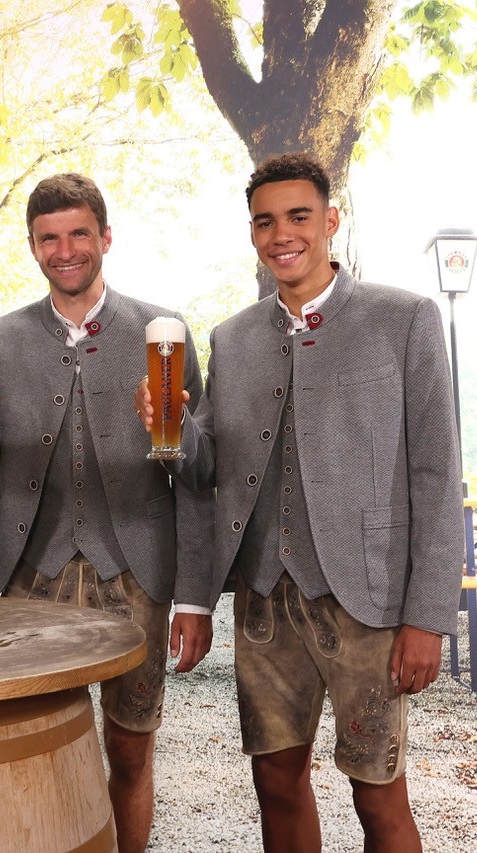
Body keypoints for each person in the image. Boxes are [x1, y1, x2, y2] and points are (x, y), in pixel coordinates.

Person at [136, 153, 464, 852]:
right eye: (265, 221)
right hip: (264, 600)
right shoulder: (234, 337)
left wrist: (428, 616)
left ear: (330, 222)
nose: (281, 233)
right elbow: (210, 471)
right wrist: (169, 435)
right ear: (252, 233)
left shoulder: (403, 319)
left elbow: (437, 472)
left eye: (298, 216)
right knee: (276, 786)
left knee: (379, 797)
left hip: (370, 599)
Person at [0, 173, 220, 853]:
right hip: (26, 571)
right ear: (34, 248)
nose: (64, 250)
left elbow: (204, 475)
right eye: (49, 239)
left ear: (105, 237)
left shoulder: (165, 331)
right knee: (23, 747)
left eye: (78, 235)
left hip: (135, 574)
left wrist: (196, 599)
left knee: (129, 750)